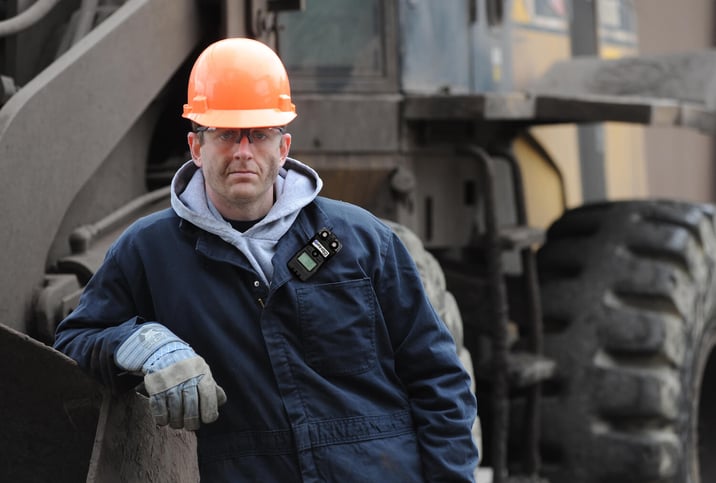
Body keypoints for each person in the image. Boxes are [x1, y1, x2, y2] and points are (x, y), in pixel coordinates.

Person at [53, 37, 479, 482]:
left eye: (258, 135)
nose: (243, 152)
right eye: (224, 135)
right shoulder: (149, 250)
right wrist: (142, 344)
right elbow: (75, 341)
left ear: (284, 146)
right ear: (196, 148)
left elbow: (438, 380)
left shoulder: (362, 239)